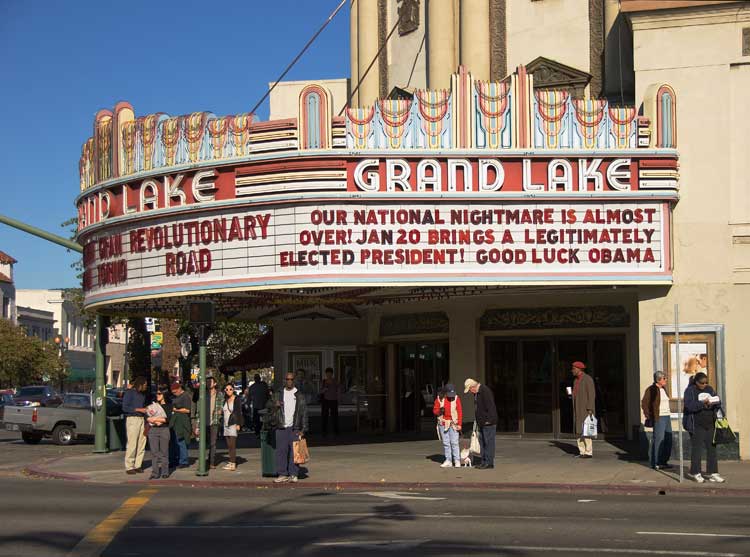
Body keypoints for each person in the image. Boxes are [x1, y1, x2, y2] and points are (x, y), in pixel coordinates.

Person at [683, 372, 725, 483]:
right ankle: (695, 472)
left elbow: (718, 402)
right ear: (696, 382)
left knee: (712, 449)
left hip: (710, 424)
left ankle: (713, 473)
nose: (704, 385)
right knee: (697, 450)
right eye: (702, 383)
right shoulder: (690, 391)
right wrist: (702, 404)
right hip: (696, 425)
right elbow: (689, 406)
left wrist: (715, 402)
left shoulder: (709, 389)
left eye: (706, 382)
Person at [271, 372, 309, 483]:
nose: (289, 381)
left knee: (295, 452)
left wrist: (304, 429)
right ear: (284, 380)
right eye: (287, 379)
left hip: (294, 427)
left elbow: (304, 412)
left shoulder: (299, 395)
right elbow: (268, 406)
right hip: (281, 426)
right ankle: (282, 474)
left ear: (294, 380)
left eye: (291, 379)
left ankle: (293, 474)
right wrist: (275, 405)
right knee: (281, 452)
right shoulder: (278, 393)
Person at [641, 371, 673, 470]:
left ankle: (664, 461)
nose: (666, 380)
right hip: (659, 417)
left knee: (668, 439)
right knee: (659, 439)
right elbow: (644, 403)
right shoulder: (651, 389)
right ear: (658, 379)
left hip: (667, 416)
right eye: (664, 378)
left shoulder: (663, 389)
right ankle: (656, 462)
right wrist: (649, 415)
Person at [464, 377, 497, 469]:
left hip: (488, 422)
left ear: (473, 386)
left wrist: (488, 420)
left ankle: (489, 462)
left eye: (470, 390)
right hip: (481, 422)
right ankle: (484, 461)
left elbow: (490, 407)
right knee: (482, 442)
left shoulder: (485, 391)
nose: (470, 392)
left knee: (488, 442)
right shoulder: (477, 393)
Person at [122, 376, 148, 475]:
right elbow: (125, 407)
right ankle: (129, 466)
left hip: (142, 419)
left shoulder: (142, 395)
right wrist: (138, 409)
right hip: (132, 418)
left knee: (142, 443)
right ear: (140, 384)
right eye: (145, 384)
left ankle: (138, 464)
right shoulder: (129, 393)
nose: (146, 386)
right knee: (132, 443)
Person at [571, 361, 596, 459]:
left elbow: (591, 395)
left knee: (586, 430)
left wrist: (590, 408)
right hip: (577, 408)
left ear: (579, 369)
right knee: (578, 430)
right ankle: (582, 451)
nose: (572, 370)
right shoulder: (575, 380)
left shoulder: (588, 379)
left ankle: (588, 452)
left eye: (573, 369)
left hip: (585, 409)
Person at [434, 383, 463, 468]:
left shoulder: (457, 398)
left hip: (453, 423)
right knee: (446, 442)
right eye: (449, 394)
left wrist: (460, 424)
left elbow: (460, 412)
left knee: (454, 442)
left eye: (452, 394)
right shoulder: (439, 398)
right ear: (445, 392)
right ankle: (448, 460)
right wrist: (439, 411)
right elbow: (435, 411)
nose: (451, 397)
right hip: (443, 423)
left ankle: (457, 460)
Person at [146, 388, 172, 479]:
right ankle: (155, 473)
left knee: (164, 452)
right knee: (154, 452)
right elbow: (148, 417)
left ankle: (165, 472)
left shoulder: (169, 405)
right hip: (153, 430)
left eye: (159, 394)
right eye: (156, 394)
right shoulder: (153, 405)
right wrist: (155, 420)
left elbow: (167, 419)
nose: (157, 395)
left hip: (164, 429)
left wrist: (155, 419)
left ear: (164, 395)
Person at [169, 381, 192, 469]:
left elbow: (187, 410)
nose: (174, 394)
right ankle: (176, 459)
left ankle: (184, 461)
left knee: (181, 440)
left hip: (182, 420)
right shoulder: (177, 396)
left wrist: (176, 410)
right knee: (175, 441)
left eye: (175, 392)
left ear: (179, 389)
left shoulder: (185, 396)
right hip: (175, 420)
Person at [202, 376, 224, 469]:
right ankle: (206, 459)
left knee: (213, 443)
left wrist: (220, 412)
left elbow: (221, 406)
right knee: (205, 443)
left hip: (214, 421)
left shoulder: (219, 394)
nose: (208, 383)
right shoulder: (203, 394)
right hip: (204, 421)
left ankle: (212, 462)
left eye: (210, 382)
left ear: (215, 383)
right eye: (207, 382)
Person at [221, 383, 243, 471]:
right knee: (228, 444)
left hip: (233, 423)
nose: (228, 391)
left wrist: (238, 424)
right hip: (226, 423)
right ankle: (230, 461)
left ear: (233, 390)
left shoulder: (237, 399)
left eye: (230, 389)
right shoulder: (225, 400)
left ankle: (233, 463)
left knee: (232, 444)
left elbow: (239, 411)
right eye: (226, 389)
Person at [320, 367, 341, 436]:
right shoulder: (323, 381)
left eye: (330, 373)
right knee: (324, 416)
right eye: (327, 373)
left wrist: (338, 399)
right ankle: (324, 431)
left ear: (332, 374)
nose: (328, 375)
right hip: (325, 401)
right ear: (326, 374)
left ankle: (336, 431)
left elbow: (338, 390)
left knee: (335, 416)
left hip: (334, 400)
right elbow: (321, 391)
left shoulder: (335, 381)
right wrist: (325, 389)